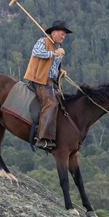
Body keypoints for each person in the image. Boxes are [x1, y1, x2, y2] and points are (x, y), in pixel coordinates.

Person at [23, 20, 72, 150]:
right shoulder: (43, 41)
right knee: (51, 103)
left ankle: (55, 136)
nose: (64, 36)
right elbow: (36, 52)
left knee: (62, 103)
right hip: (39, 80)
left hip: (50, 81)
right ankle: (42, 138)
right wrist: (53, 53)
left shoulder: (56, 47)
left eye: (65, 35)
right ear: (54, 33)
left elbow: (52, 67)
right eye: (62, 34)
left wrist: (60, 72)